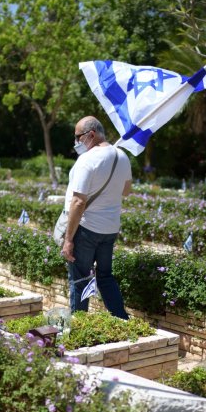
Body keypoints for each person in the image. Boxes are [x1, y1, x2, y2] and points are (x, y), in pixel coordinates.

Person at [60, 116, 131, 319]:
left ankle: (79, 325)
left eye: (78, 137)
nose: (76, 143)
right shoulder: (121, 156)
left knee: (80, 278)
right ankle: (121, 319)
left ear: (91, 135)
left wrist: (68, 240)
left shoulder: (87, 160)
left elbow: (78, 202)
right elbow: (126, 190)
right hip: (109, 229)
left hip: (86, 229)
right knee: (105, 277)